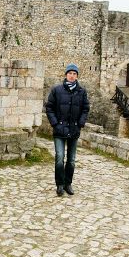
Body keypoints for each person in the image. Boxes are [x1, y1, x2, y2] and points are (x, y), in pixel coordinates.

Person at [44, 63, 90, 197]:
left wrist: (80, 123)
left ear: (77, 76)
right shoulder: (57, 90)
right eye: (70, 73)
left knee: (71, 159)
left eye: (74, 74)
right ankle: (59, 185)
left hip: (74, 130)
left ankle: (68, 183)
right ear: (66, 75)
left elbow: (85, 109)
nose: (72, 75)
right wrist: (55, 124)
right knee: (59, 157)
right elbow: (49, 107)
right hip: (59, 130)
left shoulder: (81, 92)